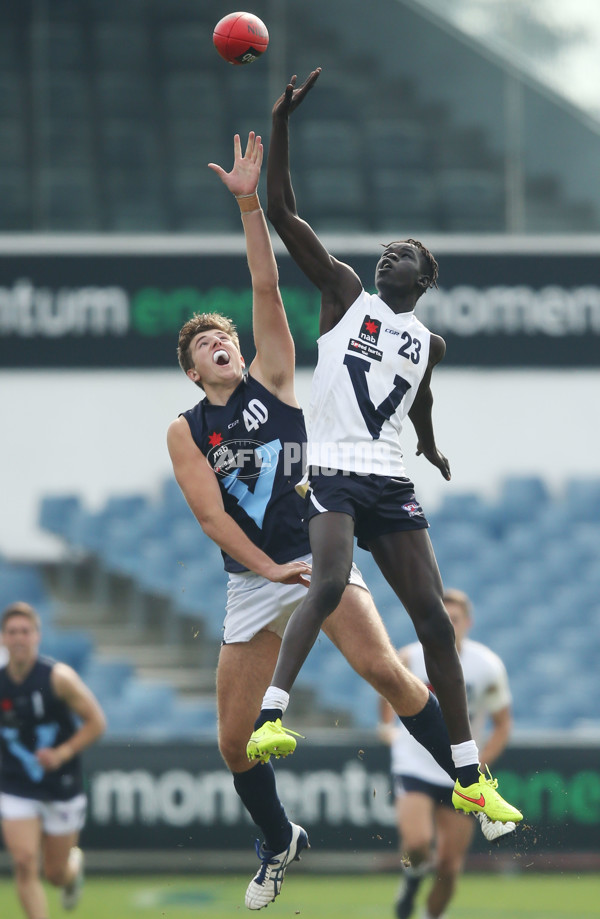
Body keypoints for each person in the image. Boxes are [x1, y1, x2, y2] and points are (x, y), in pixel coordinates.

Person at [167, 132, 496, 912]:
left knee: (388, 671)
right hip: (255, 579)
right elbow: (212, 519)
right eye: (203, 342)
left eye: (224, 336)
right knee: (232, 742)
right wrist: (268, 568)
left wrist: (250, 203)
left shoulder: (274, 380)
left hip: (319, 550)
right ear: (190, 369)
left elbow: (267, 283)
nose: (221, 341)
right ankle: (279, 840)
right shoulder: (186, 430)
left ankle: (469, 780)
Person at [248, 67, 522, 835]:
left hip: (390, 478)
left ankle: (468, 774)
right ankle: (274, 714)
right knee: (330, 580)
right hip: (333, 467)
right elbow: (281, 210)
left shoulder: (428, 341)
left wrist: (431, 449)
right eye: (385, 250)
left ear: (423, 275)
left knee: (435, 622)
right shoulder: (342, 293)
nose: (385, 256)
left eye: (400, 253)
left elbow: (421, 399)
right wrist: (282, 124)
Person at [379, 589, 514, 919]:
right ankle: (411, 878)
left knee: (450, 868)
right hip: (415, 763)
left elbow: (503, 723)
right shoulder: (410, 657)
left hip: (460, 772)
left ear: (468, 622)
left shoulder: (487, 666)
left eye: (455, 619)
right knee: (417, 844)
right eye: (444, 618)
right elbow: (387, 696)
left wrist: (480, 763)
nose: (449, 626)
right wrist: (387, 728)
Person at [0, 601, 106, 918]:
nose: (19, 638)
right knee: (23, 861)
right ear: (3, 638)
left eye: (25, 631)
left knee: (55, 874)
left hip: (61, 784)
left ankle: (72, 871)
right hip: (15, 781)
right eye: (12, 632)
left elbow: (96, 723)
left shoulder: (59, 678)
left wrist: (62, 753)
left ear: (37, 636)